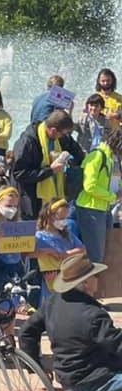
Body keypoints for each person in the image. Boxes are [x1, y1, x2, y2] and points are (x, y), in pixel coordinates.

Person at [19, 254, 122, 391]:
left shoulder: (52, 301)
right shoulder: (93, 314)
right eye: (96, 275)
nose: (99, 279)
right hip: (92, 383)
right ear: (86, 282)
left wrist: (36, 366)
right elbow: (117, 345)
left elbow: (26, 332)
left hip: (67, 378)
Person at [13, 109, 84, 219]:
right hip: (33, 198)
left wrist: (72, 162)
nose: (64, 136)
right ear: (53, 130)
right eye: (63, 134)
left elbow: (77, 153)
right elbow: (19, 173)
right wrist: (50, 170)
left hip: (55, 195)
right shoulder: (28, 142)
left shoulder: (61, 139)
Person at [75, 124, 122, 263]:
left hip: (103, 209)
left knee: (104, 255)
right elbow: (89, 186)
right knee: (95, 258)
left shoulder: (111, 158)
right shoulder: (96, 156)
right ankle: (90, 284)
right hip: (90, 210)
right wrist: (112, 196)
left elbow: (113, 180)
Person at [34, 199, 84, 296]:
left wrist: (66, 254)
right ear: (48, 216)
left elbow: (82, 249)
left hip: (68, 276)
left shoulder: (68, 235)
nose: (63, 222)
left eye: (65, 218)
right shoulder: (39, 236)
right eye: (60, 218)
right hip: (49, 278)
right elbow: (30, 254)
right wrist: (48, 251)